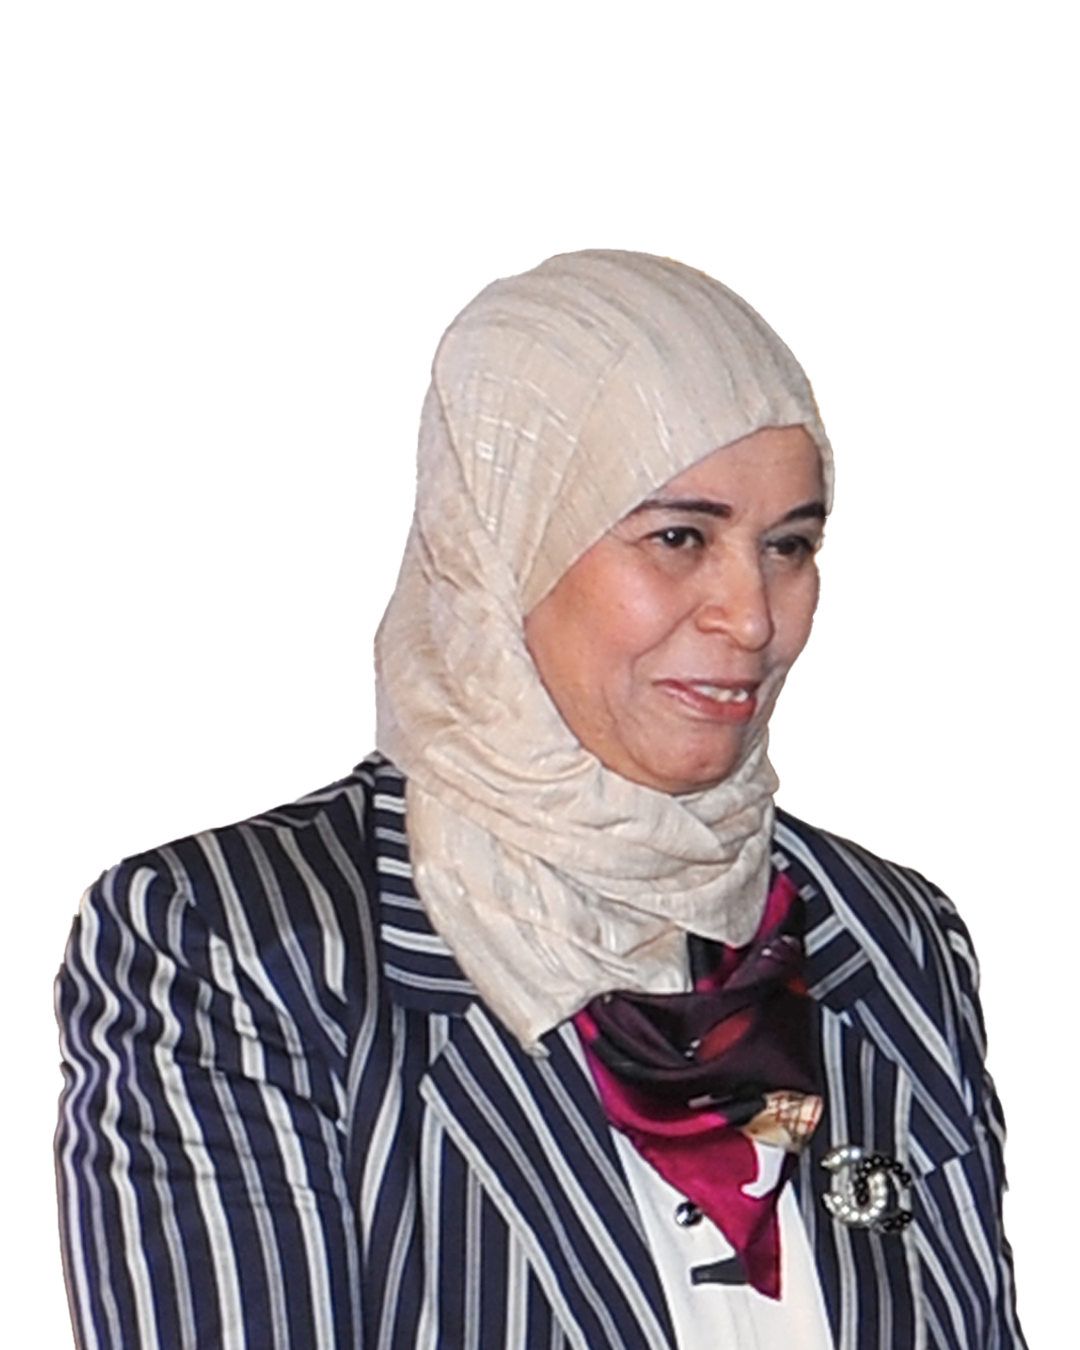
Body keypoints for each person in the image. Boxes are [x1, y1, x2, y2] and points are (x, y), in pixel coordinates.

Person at [56, 250, 1026, 1349]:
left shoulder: (886, 938)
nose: (753, 615)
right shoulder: (245, 945)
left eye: (789, 546)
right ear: (506, 542)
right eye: (679, 537)